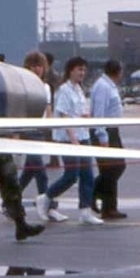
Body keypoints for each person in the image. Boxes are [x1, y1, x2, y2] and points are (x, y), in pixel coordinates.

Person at [46, 56, 101, 225]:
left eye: (84, 70)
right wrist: (72, 138)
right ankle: (46, 197)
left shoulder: (79, 89)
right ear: (71, 71)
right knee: (71, 175)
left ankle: (85, 210)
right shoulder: (64, 90)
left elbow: (78, 112)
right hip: (69, 138)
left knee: (88, 176)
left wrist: (86, 118)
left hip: (83, 135)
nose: (82, 73)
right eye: (79, 69)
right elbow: (63, 115)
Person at [16, 50, 54, 219]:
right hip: (29, 131)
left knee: (28, 172)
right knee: (40, 171)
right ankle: (45, 203)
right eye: (33, 66)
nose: (37, 69)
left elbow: (48, 109)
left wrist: (50, 130)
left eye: (39, 66)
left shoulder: (46, 87)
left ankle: (9, 201)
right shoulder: (23, 86)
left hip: (40, 131)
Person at [91, 58, 127, 219]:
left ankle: (106, 203)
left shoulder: (108, 85)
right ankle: (95, 194)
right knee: (112, 168)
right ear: (118, 71)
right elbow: (99, 112)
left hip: (113, 130)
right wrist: (102, 135)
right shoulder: (103, 87)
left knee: (116, 167)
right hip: (105, 131)